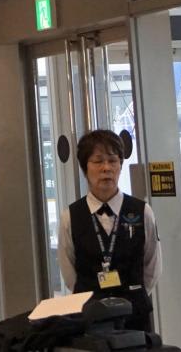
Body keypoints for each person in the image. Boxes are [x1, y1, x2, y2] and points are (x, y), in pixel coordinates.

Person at [57, 129, 161, 332]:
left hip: (134, 313)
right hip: (89, 314)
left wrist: (134, 293)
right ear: (85, 168)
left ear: (120, 165)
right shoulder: (70, 216)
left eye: (113, 161)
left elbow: (153, 265)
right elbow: (68, 270)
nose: (106, 168)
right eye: (98, 161)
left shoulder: (142, 211)